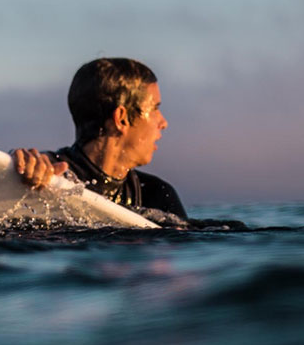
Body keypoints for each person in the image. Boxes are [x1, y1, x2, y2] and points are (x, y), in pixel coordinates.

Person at [14, 58, 244, 229]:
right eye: (155, 108)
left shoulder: (155, 195)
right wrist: (19, 165)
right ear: (122, 118)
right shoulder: (47, 175)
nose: (163, 122)